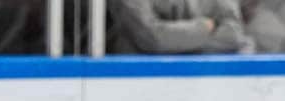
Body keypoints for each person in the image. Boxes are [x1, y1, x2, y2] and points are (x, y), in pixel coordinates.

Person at [108, 0, 256, 54]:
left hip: (204, 86)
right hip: (139, 86)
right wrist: (204, 27)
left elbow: (233, 34)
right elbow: (153, 38)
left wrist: (175, 43)